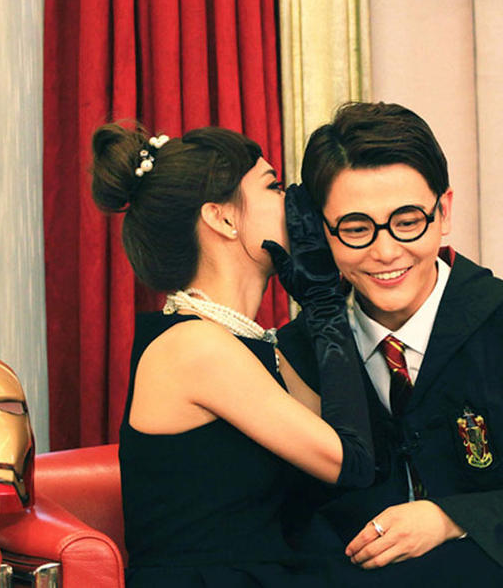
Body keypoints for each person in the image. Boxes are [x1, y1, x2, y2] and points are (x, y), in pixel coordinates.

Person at [275, 102, 503, 587]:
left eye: (408, 221)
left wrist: (451, 518)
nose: (385, 251)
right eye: (356, 229)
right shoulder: (297, 354)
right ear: (322, 230)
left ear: (444, 211)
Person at [90, 123, 376, 587]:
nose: (294, 201)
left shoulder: (247, 344)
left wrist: (323, 302)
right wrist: (323, 303)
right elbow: (351, 463)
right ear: (223, 219)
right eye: (274, 186)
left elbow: (357, 445)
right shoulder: (196, 348)